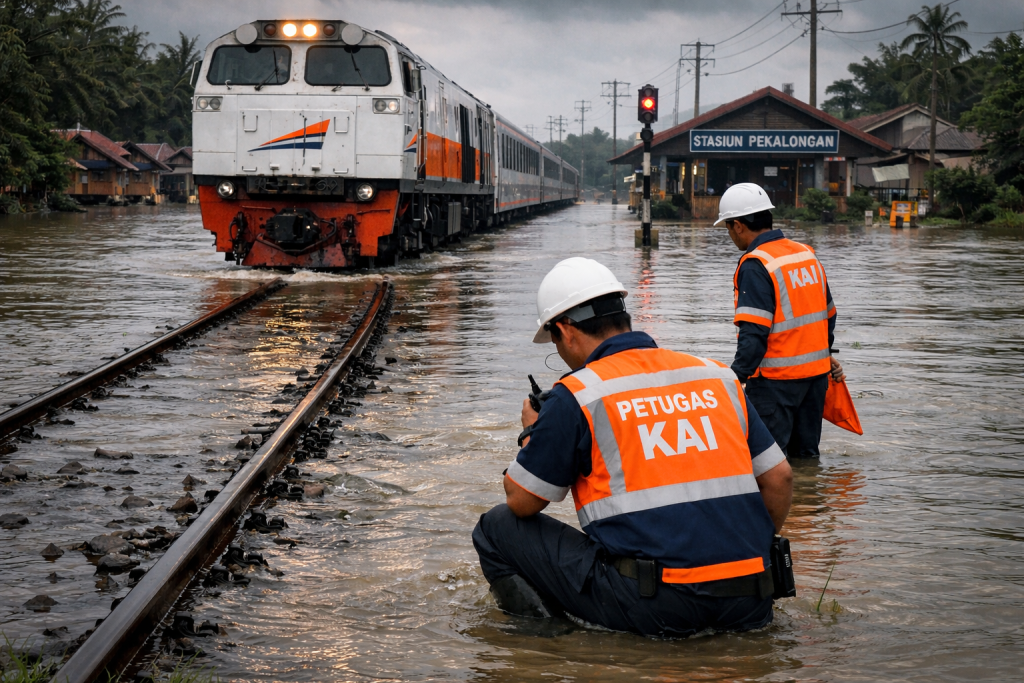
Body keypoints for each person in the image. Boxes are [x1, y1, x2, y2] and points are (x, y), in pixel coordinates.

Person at [472, 257, 794, 637]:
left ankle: (550, 648)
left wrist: (532, 433)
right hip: (751, 598)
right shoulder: (718, 377)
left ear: (566, 331)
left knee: (496, 527)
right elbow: (780, 479)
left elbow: (521, 501)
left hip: (659, 609)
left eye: (554, 341)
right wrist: (744, 560)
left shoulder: (577, 394)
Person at [715, 182, 845, 459]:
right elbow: (829, 316)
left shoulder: (756, 264)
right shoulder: (805, 253)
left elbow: (754, 333)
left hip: (775, 385)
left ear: (738, 225)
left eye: (728, 228)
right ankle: (809, 489)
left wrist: (734, 379)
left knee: (770, 464)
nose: (731, 235)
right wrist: (824, 356)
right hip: (815, 381)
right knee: (806, 459)